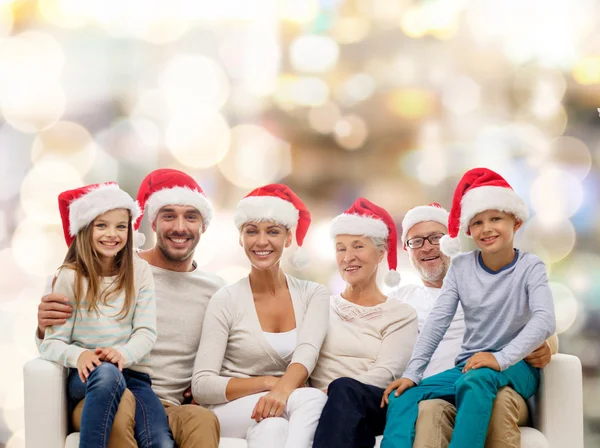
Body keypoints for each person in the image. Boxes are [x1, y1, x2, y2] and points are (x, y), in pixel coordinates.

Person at [36, 169, 224, 448]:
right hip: (102, 394)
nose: (180, 227)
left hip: (163, 402)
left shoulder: (215, 290)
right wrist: (41, 326)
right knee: (121, 403)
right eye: (169, 215)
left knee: (203, 420)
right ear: (152, 223)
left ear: (204, 226)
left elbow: (231, 354)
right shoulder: (109, 264)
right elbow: (52, 339)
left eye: (191, 217)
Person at [381, 167, 557, 448]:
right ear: (468, 231)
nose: (486, 228)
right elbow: (437, 323)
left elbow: (545, 321)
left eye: (496, 218)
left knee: (475, 381)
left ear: (516, 222)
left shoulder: (530, 266)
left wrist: (500, 359)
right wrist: (412, 374)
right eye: (477, 222)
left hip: (516, 368)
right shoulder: (461, 268)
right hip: (469, 367)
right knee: (405, 395)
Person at [192, 183, 329, 448]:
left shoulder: (314, 295)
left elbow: (307, 353)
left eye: (273, 231)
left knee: (274, 427)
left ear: (289, 238)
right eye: (252, 231)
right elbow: (202, 384)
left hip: (282, 406)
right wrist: (271, 385)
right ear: (241, 238)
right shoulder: (226, 299)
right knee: (311, 399)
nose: (262, 241)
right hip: (227, 409)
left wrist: (279, 392)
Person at [39, 182, 173, 447]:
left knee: (160, 440)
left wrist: (122, 354)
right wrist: (81, 355)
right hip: (88, 377)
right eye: (102, 225)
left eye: (120, 226)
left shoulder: (140, 272)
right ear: (85, 229)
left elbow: (146, 332)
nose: (112, 234)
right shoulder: (70, 277)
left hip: (134, 374)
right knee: (107, 373)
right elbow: (51, 343)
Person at [311, 197, 419, 448]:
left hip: (373, 402)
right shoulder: (320, 306)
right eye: (341, 248)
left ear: (380, 253)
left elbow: (386, 373)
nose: (348, 257)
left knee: (344, 389)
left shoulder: (401, 314)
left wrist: (334, 392)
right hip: (318, 401)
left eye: (358, 246)